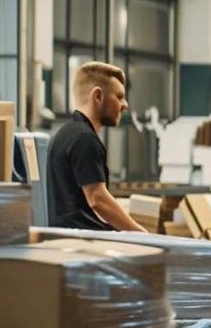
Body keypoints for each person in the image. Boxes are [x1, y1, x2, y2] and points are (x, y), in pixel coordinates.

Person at [47, 61, 146, 232]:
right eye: (119, 96)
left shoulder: (66, 133)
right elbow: (97, 199)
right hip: (84, 243)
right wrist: (140, 233)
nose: (125, 105)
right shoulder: (84, 138)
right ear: (98, 96)